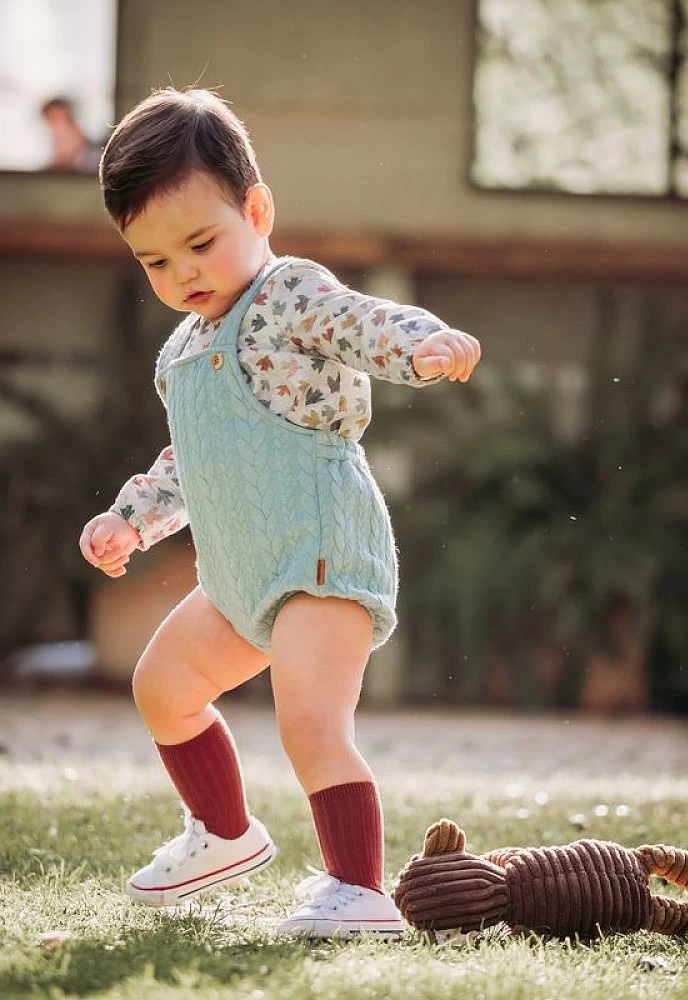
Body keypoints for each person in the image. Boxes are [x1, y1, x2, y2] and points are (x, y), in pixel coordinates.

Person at [79, 87, 480, 938]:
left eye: (199, 243)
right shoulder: (179, 354)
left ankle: (358, 890)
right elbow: (189, 463)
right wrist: (129, 519)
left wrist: (420, 342)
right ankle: (223, 833)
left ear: (257, 210)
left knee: (309, 719)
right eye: (154, 261)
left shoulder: (287, 294)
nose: (182, 272)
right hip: (238, 575)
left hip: (321, 556)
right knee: (163, 687)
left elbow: (359, 321)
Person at [40, 97, 102, 174]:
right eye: (52, 122)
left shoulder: (99, 159)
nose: (59, 130)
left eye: (65, 119)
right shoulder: (53, 167)